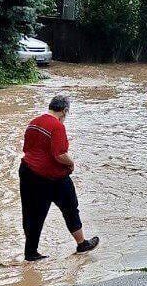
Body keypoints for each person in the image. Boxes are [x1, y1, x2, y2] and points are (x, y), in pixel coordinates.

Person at [19, 95, 99, 261]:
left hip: (27, 171)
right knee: (70, 208)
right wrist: (71, 163)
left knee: (31, 213)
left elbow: (27, 148)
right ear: (64, 111)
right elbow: (60, 154)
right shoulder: (57, 126)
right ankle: (82, 244)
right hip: (51, 177)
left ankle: (30, 252)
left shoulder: (33, 122)